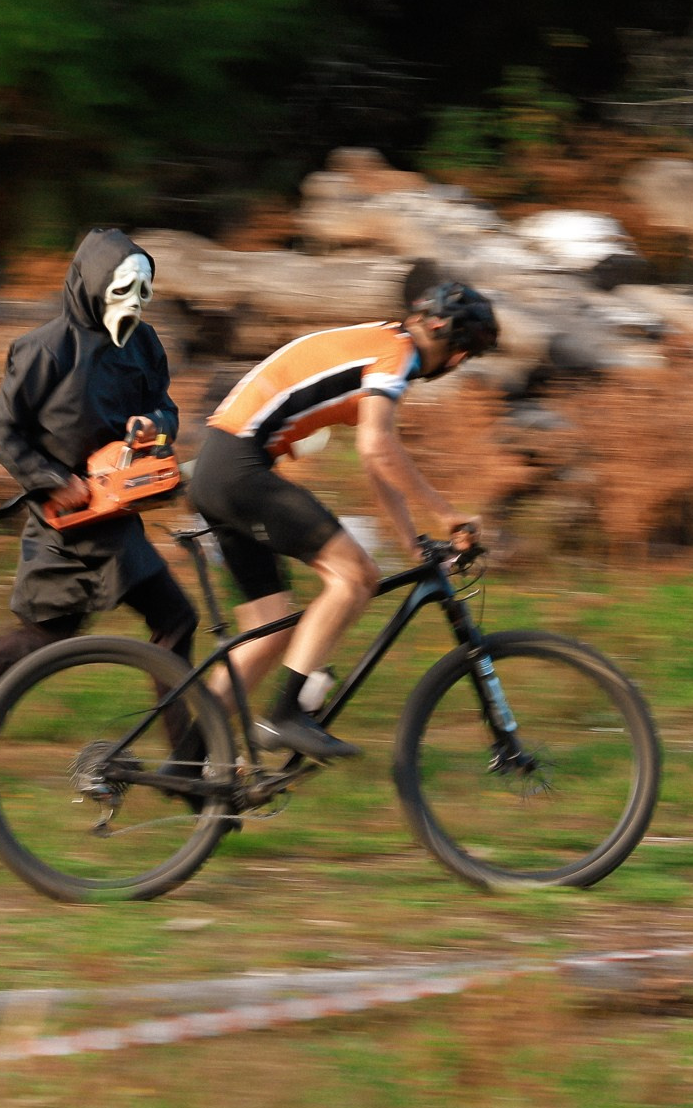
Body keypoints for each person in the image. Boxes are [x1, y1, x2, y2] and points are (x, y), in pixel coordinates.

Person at [0, 228, 195, 769]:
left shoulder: (144, 346)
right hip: (67, 523)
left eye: (144, 291)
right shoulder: (44, 351)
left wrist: (153, 424)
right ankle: (191, 769)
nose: (134, 304)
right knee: (170, 621)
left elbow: (165, 407)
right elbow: (0, 430)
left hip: (114, 511)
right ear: (92, 287)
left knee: (47, 641)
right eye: (123, 291)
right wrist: (51, 478)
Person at [186, 281, 499, 761]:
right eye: (464, 354)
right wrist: (446, 513)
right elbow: (377, 447)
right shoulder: (398, 353)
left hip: (222, 468)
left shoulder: (379, 342)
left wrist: (411, 541)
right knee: (356, 576)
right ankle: (286, 714)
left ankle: (185, 760)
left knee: (271, 631)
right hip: (240, 468)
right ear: (452, 347)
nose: (456, 365)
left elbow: (376, 460)